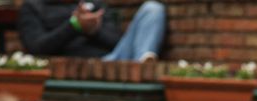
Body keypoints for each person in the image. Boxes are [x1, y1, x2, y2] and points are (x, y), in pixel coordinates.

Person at [18, 0, 166, 61]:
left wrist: (94, 31)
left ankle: (143, 64)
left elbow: (118, 41)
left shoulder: (94, 3)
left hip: (112, 61)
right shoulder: (33, 7)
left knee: (152, 8)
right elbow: (36, 47)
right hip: (70, 70)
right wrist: (74, 26)